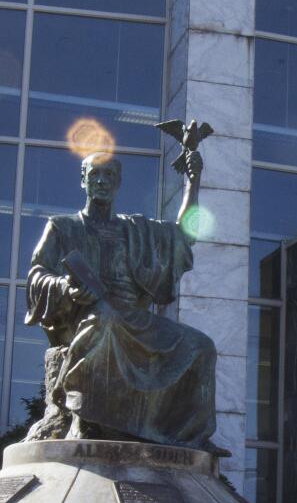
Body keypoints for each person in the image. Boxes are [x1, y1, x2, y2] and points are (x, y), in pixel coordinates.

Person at [24, 151, 222, 453]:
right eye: (94, 175)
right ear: (83, 180)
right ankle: (87, 419)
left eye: (109, 176)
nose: (101, 181)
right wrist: (66, 287)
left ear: (118, 183)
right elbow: (37, 276)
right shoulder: (62, 227)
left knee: (201, 346)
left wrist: (192, 183)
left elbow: (184, 234)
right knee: (103, 320)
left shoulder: (135, 229)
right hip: (89, 316)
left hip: (134, 320)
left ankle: (187, 436)